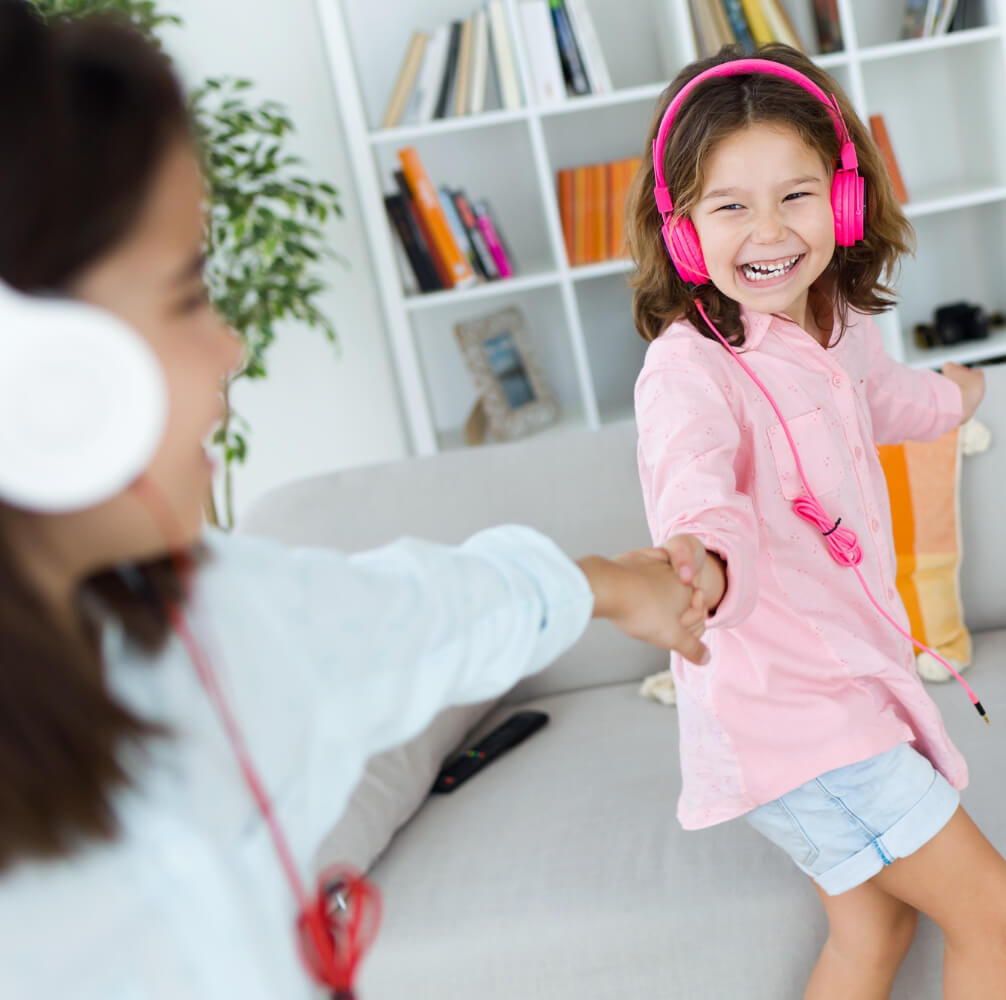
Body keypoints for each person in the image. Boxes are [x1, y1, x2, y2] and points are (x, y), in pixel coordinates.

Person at [0, 4, 707, 996]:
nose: (233, 347)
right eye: (190, 293)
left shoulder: (207, 617)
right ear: (44, 378)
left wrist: (608, 586)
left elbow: (427, 610)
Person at [627, 44, 1006, 999]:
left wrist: (954, 397)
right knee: (995, 910)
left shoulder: (840, 319)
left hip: (855, 682)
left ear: (845, 201)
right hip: (793, 715)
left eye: (795, 196)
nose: (768, 231)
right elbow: (698, 489)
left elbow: (880, 397)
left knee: (874, 932)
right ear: (683, 232)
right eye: (729, 206)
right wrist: (702, 563)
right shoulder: (688, 371)